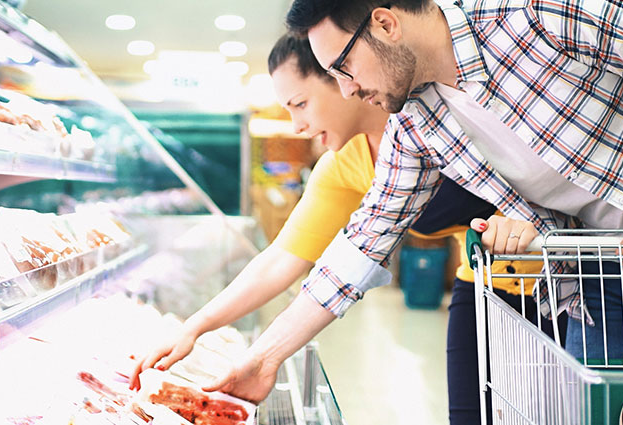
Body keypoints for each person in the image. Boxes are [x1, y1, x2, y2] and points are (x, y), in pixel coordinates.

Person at [206, 0, 623, 422]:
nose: (348, 89)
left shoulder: (534, 16)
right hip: (602, 269)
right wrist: (263, 360)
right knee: (613, 413)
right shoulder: (417, 123)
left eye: (344, 68)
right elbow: (361, 246)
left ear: (384, 22)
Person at [129, 36, 547, 410]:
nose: (298, 125)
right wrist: (196, 327)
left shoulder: (444, 114)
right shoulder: (345, 164)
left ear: (342, 75)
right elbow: (284, 259)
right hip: (486, 284)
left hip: (576, 268)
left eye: (301, 103)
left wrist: (526, 215)